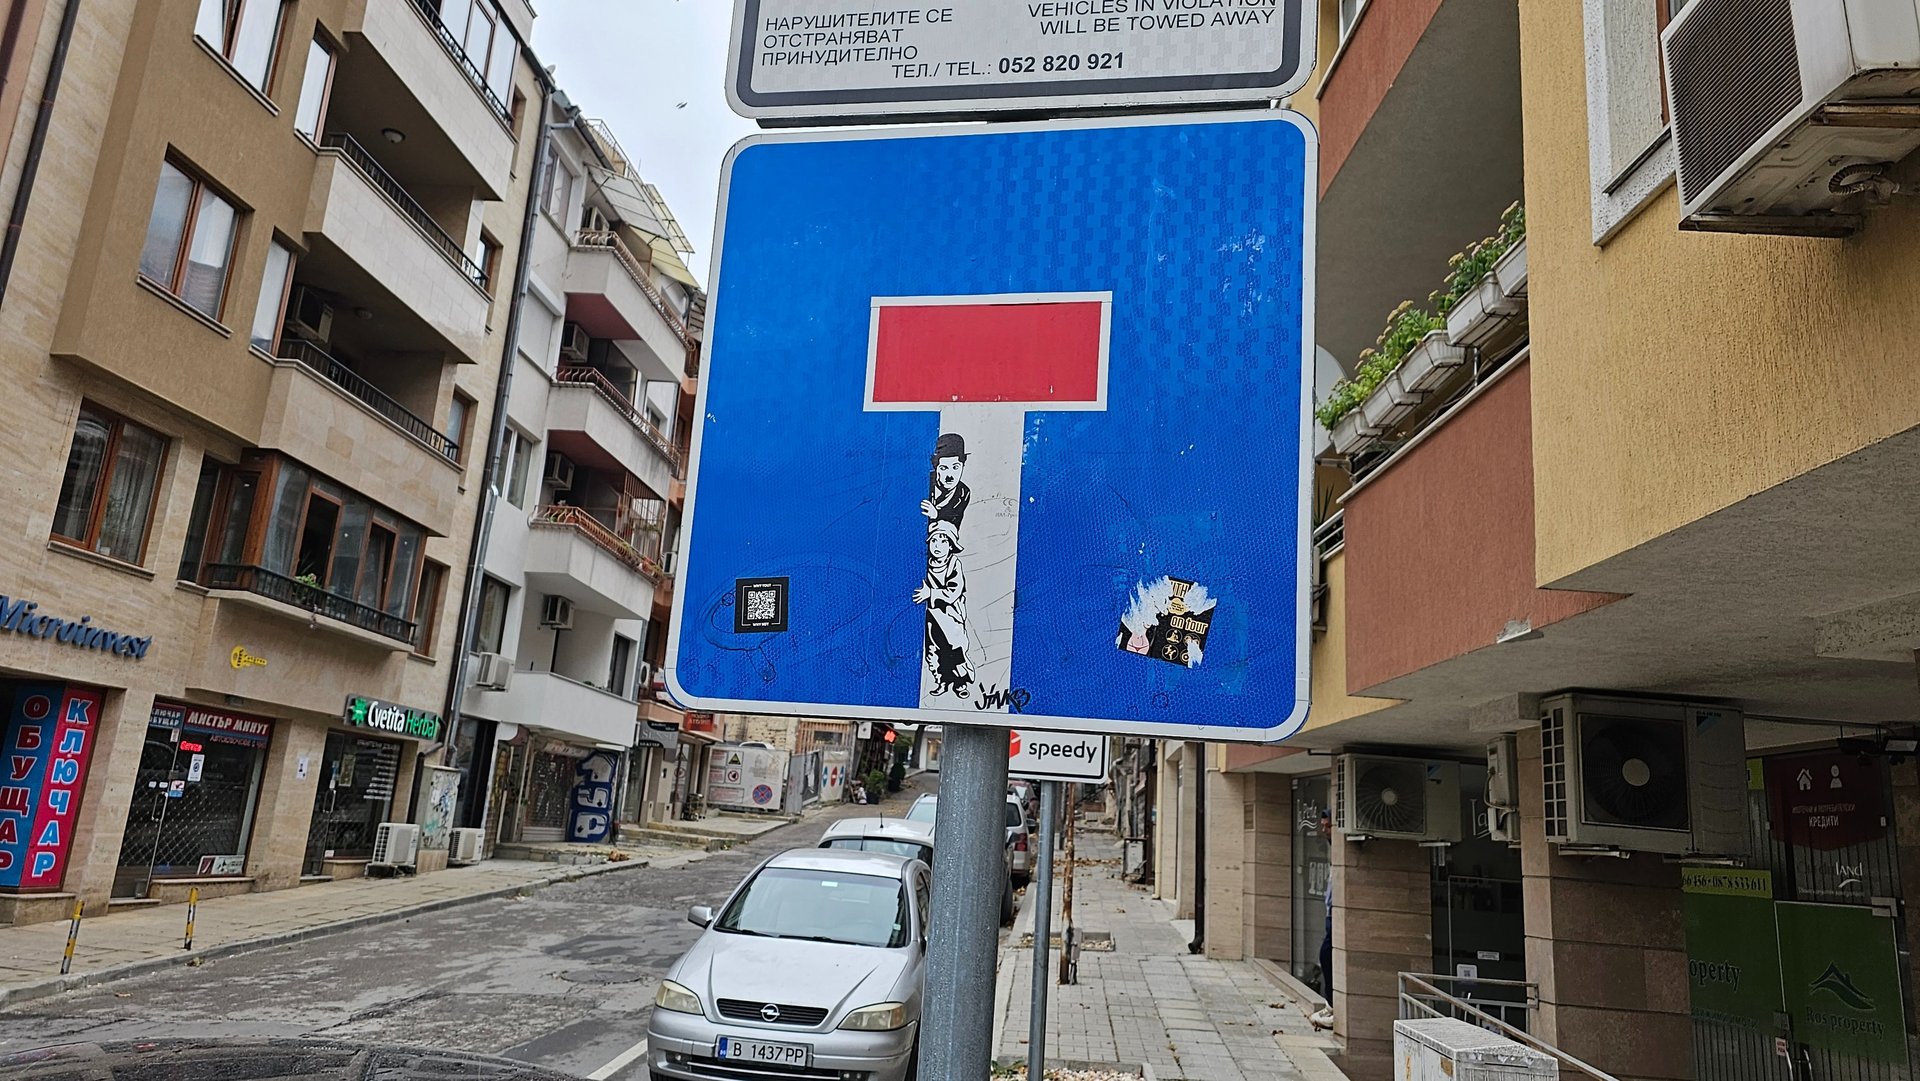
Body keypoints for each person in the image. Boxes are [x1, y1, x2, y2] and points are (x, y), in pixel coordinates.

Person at [914, 519, 973, 699]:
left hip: (950, 618)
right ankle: (941, 681)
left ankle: (960, 683)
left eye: (943, 541)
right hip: (931, 618)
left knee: (955, 652)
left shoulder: (954, 564)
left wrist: (931, 593)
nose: (937, 545)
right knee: (932, 652)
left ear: (951, 545)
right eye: (934, 540)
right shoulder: (925, 562)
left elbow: (953, 592)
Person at [1312, 808, 1335, 1030]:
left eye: (1327, 826)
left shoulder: (1341, 848)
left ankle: (1333, 1006)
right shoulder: (1333, 849)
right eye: (1323, 826)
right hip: (1331, 911)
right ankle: (1331, 1005)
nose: (1324, 830)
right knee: (1326, 955)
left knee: (1327, 955)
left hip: (1336, 911)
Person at [920, 432, 971, 528]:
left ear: (963, 466)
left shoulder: (963, 492)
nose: (950, 476)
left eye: (955, 467)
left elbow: (954, 525)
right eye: (944, 468)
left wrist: (936, 515)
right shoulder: (925, 483)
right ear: (936, 468)